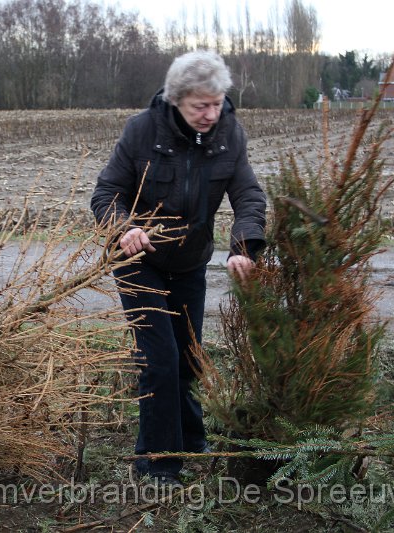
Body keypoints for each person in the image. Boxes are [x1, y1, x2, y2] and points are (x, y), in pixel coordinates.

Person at [91, 50, 267, 485]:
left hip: (190, 260)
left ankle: (189, 438)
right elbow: (107, 193)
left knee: (189, 356)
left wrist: (243, 247)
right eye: (199, 106)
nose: (211, 114)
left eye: (217, 103)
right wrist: (124, 229)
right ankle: (159, 460)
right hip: (139, 261)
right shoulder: (142, 131)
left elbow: (248, 195)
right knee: (160, 360)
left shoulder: (229, 134)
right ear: (176, 100)